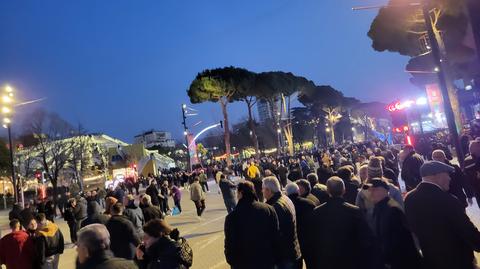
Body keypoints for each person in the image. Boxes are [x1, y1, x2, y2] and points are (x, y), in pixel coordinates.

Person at [405, 161, 480, 269]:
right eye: (447, 174)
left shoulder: (409, 198)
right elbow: (467, 231)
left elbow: (412, 228)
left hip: (432, 261)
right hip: (458, 261)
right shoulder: (447, 200)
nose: (450, 178)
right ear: (436, 175)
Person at [303, 177, 377, 269]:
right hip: (350, 261)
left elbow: (311, 241)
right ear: (344, 190)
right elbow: (365, 239)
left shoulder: (317, 212)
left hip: (326, 261)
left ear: (328, 191)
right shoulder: (354, 211)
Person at [365, 179, 422, 269]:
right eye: (369, 190)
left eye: (373, 190)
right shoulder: (379, 207)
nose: (370, 193)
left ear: (383, 190)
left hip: (400, 261)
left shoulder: (392, 209)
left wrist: (387, 259)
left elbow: (398, 239)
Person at [224, 181, 280, 269]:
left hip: (243, 264)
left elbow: (230, 244)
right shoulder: (268, 209)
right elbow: (276, 236)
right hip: (266, 261)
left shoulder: (232, 217)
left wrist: (232, 261)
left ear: (241, 193)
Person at [263, 176, 301, 269]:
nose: (262, 191)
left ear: (268, 190)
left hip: (285, 258)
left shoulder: (275, 207)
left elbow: (276, 234)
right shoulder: (285, 198)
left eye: (263, 189)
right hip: (293, 251)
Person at [285, 183, 315, 267]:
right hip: (309, 240)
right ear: (298, 191)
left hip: (294, 242)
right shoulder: (309, 203)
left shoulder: (285, 205)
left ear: (286, 193)